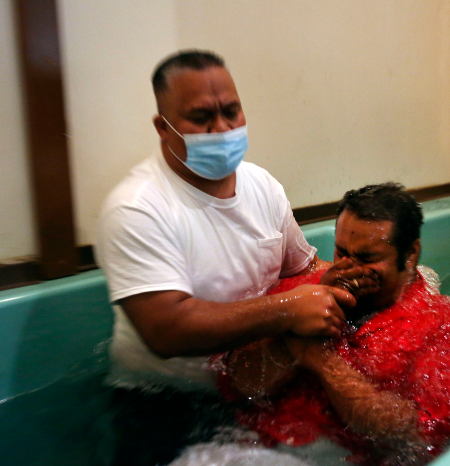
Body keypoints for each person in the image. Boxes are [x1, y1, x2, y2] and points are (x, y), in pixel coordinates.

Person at [95, 50, 355, 392]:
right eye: (201, 117)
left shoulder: (262, 186)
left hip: (250, 380)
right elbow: (166, 331)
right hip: (163, 395)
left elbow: (303, 269)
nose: (221, 128)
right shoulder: (135, 209)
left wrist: (368, 279)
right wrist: (287, 310)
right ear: (163, 128)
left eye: (231, 112)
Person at [217, 183, 450, 464]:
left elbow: (420, 434)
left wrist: (320, 359)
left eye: (367, 258)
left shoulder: (446, 329)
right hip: (251, 444)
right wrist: (288, 342)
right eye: (341, 252)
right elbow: (237, 384)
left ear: (409, 254)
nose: (349, 268)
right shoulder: (301, 295)